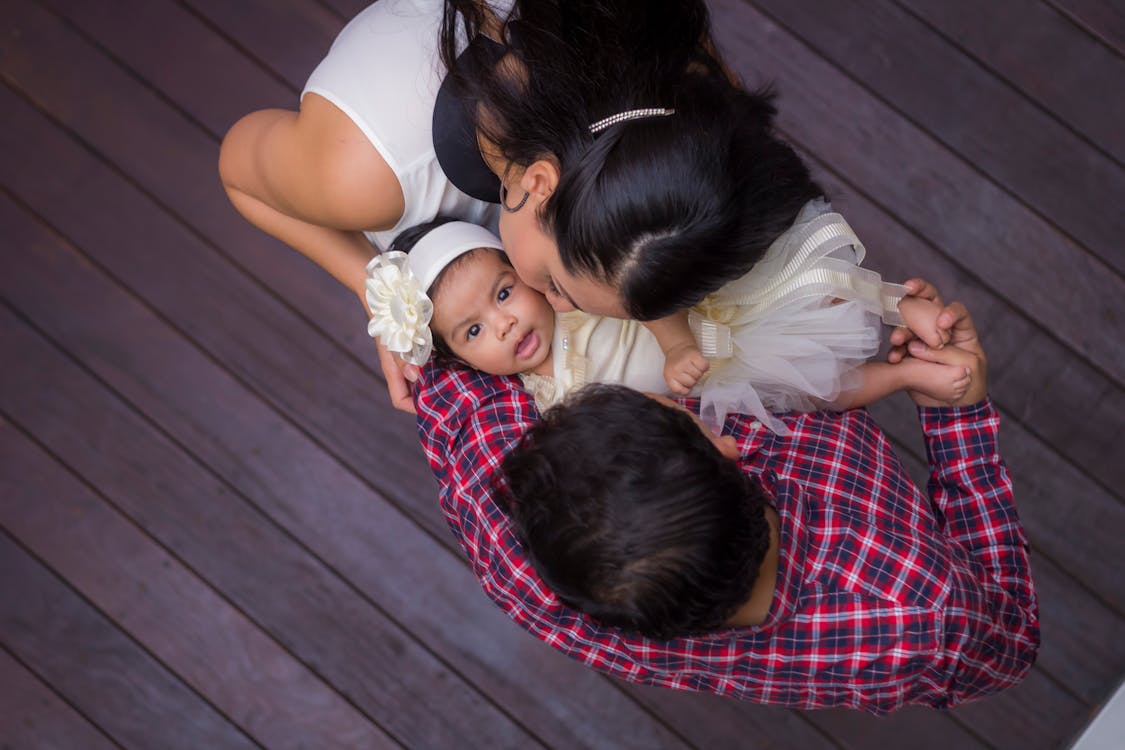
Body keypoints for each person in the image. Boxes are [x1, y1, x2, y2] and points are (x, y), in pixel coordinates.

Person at [413, 282, 1039, 713]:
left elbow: (444, 377)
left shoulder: (523, 557)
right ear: (725, 444)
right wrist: (955, 420)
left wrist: (413, 323)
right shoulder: (920, 613)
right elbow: (1009, 641)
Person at [218, 0, 828, 411]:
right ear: (537, 183)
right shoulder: (361, 177)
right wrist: (376, 288)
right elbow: (239, 173)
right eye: (557, 286)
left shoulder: (685, 91)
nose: (557, 309)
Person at [367, 218, 971, 432]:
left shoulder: (572, 300)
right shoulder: (544, 405)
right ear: (462, 362)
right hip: (722, 383)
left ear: (528, 274)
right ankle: (903, 375)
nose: (501, 326)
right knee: (813, 392)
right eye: (472, 333)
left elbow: (634, 290)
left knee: (799, 278)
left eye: (504, 293)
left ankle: (898, 303)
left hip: (707, 312)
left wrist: (672, 340)